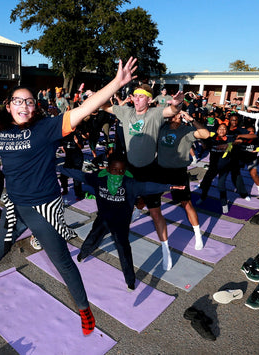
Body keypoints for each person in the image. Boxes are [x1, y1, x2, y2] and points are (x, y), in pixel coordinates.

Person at [0, 57, 138, 336]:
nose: (24, 106)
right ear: (8, 106)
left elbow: (83, 109)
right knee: (2, 239)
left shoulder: (47, 129)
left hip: (43, 208)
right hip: (14, 202)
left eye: (30, 101)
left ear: (35, 107)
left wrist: (117, 82)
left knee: (61, 260)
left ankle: (83, 308)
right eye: (18, 101)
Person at [59, 154, 185, 288]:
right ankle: (83, 254)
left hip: (121, 224)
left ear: (125, 171)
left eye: (121, 171)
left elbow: (148, 186)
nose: (118, 174)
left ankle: (130, 281)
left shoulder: (130, 184)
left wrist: (169, 187)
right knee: (93, 236)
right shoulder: (98, 178)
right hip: (103, 219)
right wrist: (59, 168)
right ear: (108, 169)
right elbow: (80, 175)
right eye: (114, 170)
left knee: (124, 251)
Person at [102, 83, 184, 271]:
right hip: (130, 169)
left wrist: (178, 104)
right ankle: (129, 220)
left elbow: (171, 110)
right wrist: (104, 92)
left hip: (150, 170)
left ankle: (165, 249)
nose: (136, 99)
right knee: (124, 205)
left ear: (149, 99)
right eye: (134, 96)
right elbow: (104, 106)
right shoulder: (126, 112)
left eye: (141, 96)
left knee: (155, 212)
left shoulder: (154, 113)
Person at [157, 111, 210, 250]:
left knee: (186, 203)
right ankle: (137, 212)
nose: (176, 117)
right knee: (146, 197)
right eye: (173, 115)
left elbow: (206, 134)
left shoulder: (187, 130)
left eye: (179, 115)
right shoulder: (162, 128)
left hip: (178, 172)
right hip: (160, 170)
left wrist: (191, 118)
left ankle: (198, 234)